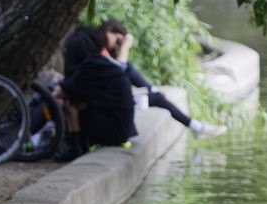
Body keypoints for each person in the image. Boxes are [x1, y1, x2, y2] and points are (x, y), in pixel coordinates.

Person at [97, 19, 227, 139]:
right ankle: (197, 127)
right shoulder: (97, 51)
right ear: (108, 31)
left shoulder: (104, 51)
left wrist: (151, 90)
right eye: (118, 40)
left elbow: (122, 72)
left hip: (112, 101)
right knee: (156, 97)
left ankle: (196, 126)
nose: (117, 46)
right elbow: (115, 75)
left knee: (132, 72)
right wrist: (124, 49)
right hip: (104, 106)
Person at [53, 26, 137, 160]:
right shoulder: (99, 63)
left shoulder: (89, 66)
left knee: (69, 103)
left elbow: (58, 93)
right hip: (122, 127)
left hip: (115, 130)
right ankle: (77, 145)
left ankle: (75, 147)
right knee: (74, 100)